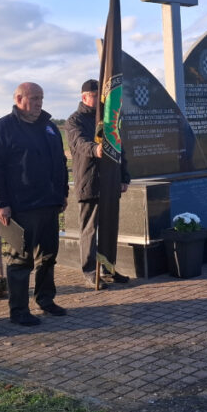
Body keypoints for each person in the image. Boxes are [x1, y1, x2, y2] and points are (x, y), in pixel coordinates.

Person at [0, 82, 69, 325]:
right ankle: (19, 311)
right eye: (34, 98)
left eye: (41, 98)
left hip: (49, 204)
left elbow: (61, 163)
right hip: (21, 207)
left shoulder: (49, 127)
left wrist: (62, 193)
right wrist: (0, 203)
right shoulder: (2, 129)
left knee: (48, 256)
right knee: (21, 260)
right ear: (19, 99)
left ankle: (45, 299)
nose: (39, 103)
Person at [65, 79, 131, 289]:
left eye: (99, 96)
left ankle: (107, 268)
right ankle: (90, 271)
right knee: (89, 230)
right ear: (84, 97)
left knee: (109, 227)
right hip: (90, 181)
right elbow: (79, 143)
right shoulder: (74, 121)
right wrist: (96, 149)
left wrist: (124, 177)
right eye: (94, 96)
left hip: (110, 182)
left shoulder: (108, 119)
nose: (99, 100)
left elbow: (120, 147)